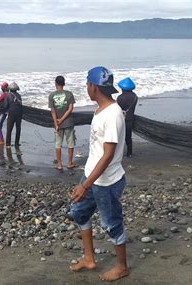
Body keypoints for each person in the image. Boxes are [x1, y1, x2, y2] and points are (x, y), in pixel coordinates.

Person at [67, 66, 128, 282]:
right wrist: (86, 180)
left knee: (111, 223)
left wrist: (84, 185)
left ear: (94, 86)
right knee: (79, 212)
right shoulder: (100, 109)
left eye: (87, 84)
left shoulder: (112, 114)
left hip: (107, 181)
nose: (86, 87)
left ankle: (121, 267)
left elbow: (108, 154)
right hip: (93, 176)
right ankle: (89, 258)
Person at [48, 75, 77, 170]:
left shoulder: (52, 95)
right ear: (64, 83)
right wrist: (63, 119)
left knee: (58, 144)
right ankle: (69, 163)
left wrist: (57, 123)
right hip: (68, 122)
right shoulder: (69, 94)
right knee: (70, 143)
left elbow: (52, 111)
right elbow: (70, 108)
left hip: (58, 124)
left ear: (55, 84)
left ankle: (59, 164)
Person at [116, 77, 138, 157]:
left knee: (119, 137)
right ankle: (129, 153)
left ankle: (118, 152)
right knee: (128, 137)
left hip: (121, 119)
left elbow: (118, 109)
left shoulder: (120, 98)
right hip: (130, 119)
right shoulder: (135, 96)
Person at [3, 82, 23, 148]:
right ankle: (17, 143)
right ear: (16, 89)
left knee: (9, 129)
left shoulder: (8, 95)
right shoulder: (19, 96)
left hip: (11, 113)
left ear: (10, 89)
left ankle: (8, 144)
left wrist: (5, 110)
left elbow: (5, 105)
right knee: (18, 128)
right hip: (19, 113)